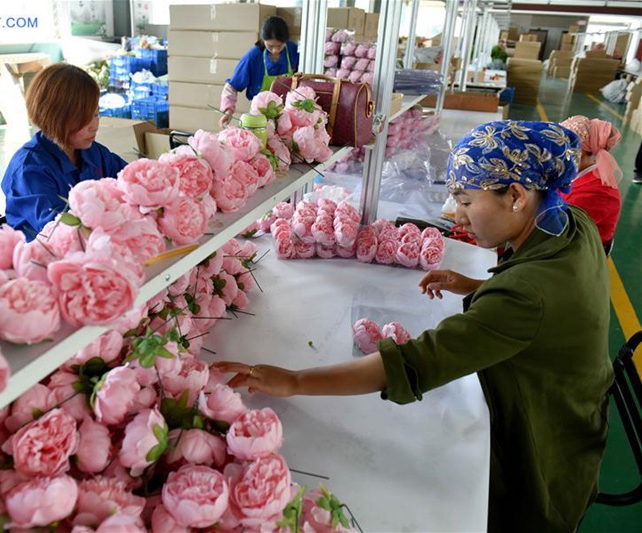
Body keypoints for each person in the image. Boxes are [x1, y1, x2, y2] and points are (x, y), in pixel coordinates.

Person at [215, 121, 614, 532]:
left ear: (515, 195)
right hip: (581, 414)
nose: (456, 215)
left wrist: (294, 380)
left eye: (465, 201)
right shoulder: (570, 221)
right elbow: (544, 293)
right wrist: (481, 285)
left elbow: (411, 364)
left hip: (546, 455)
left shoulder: (526, 297)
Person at [2, 63, 127, 240]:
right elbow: (61, 231)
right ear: (56, 118)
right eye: (84, 118)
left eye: (95, 115)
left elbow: (129, 180)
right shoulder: (29, 171)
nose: (95, 126)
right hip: (45, 257)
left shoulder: (94, 153)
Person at [219, 16, 299, 128]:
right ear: (263, 40)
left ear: (285, 41)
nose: (275, 50)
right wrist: (228, 111)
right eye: (270, 46)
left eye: (279, 46)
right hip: (259, 118)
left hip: (288, 116)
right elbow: (232, 87)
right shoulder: (253, 57)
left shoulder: (293, 50)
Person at [559, 115, 623, 253]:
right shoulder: (579, 173)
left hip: (576, 254)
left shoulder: (596, 193)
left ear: (579, 154)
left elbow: (561, 234)